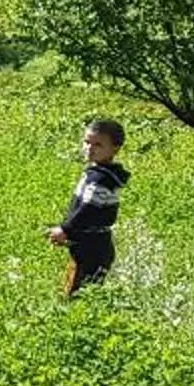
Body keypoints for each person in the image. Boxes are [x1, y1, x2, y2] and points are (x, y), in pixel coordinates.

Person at [45, 117, 130, 297]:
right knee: (76, 288)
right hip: (89, 242)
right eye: (87, 142)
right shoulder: (96, 172)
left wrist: (65, 229)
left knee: (79, 295)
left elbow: (88, 211)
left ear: (115, 147)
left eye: (98, 145)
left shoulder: (101, 180)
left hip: (93, 247)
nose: (90, 148)